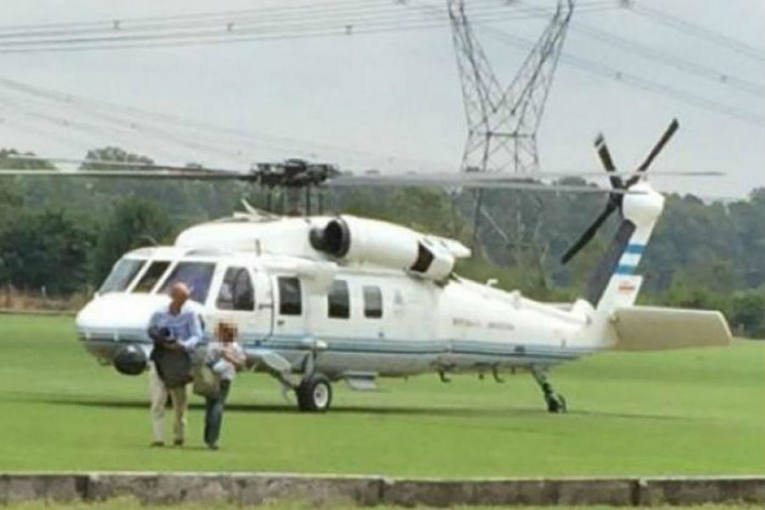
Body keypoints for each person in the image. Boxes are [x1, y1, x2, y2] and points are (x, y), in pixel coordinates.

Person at [147, 282, 204, 447]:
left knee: (180, 401)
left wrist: (183, 344)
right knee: (158, 399)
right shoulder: (159, 313)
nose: (184, 301)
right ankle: (158, 437)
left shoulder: (190, 313)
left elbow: (197, 335)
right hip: (160, 357)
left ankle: (179, 434)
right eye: (181, 297)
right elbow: (150, 330)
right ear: (173, 296)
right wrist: (161, 339)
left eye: (186, 297)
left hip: (181, 359)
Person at [203, 321, 246, 450]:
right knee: (218, 406)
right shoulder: (236, 347)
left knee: (210, 407)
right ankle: (213, 439)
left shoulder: (212, 346)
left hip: (210, 379)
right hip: (226, 379)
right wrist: (232, 360)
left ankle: (208, 436)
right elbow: (241, 366)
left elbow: (206, 362)